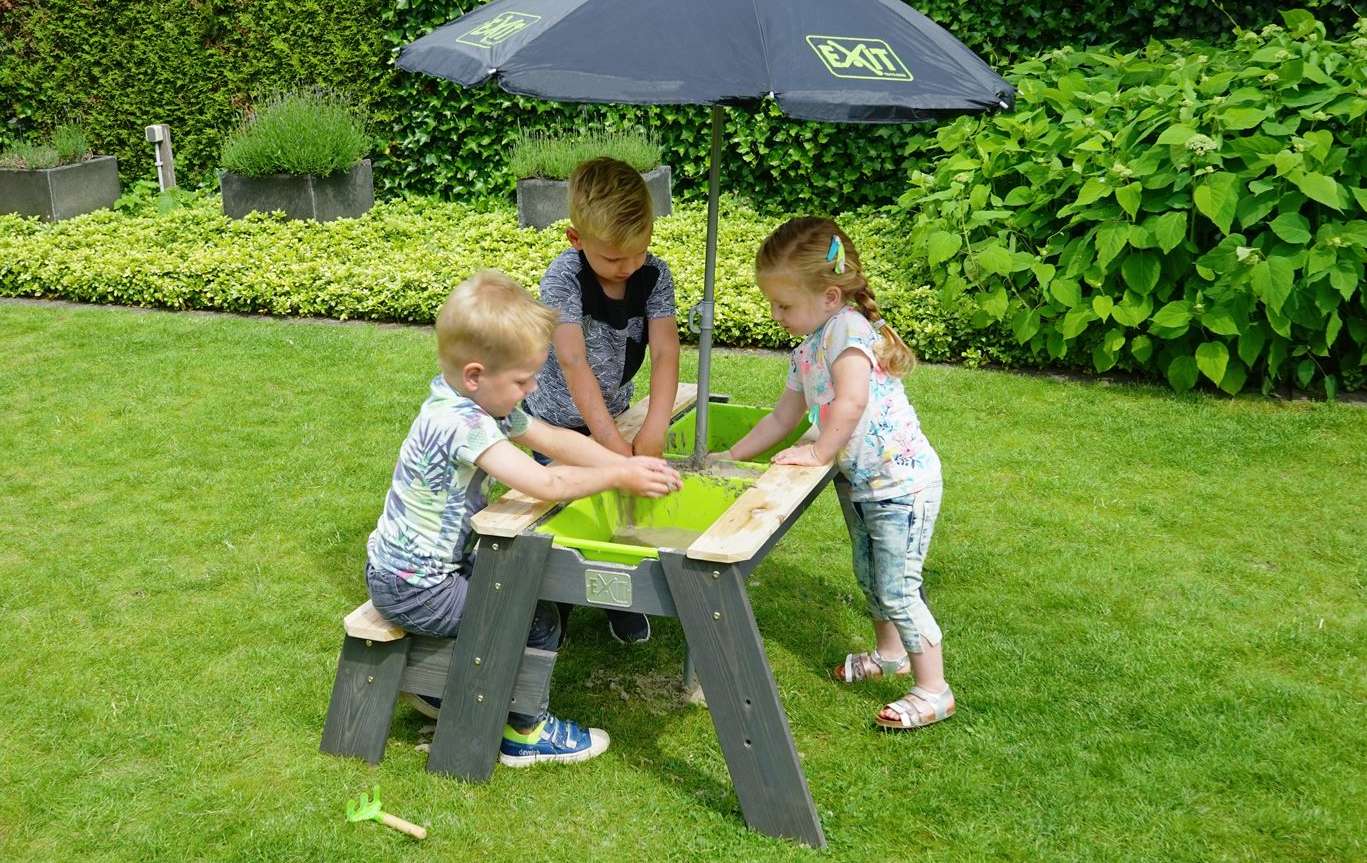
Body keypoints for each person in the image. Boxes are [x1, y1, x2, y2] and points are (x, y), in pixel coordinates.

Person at [365, 269, 683, 765]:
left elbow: (554, 441)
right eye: (522, 380)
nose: (532, 387)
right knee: (533, 617)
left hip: (406, 573)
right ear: (476, 374)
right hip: (416, 588)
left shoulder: (468, 401)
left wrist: (625, 462)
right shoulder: (464, 423)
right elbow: (546, 482)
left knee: (512, 581)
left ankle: (441, 688)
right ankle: (524, 733)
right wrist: (620, 478)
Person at [718, 217, 953, 730]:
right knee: (871, 579)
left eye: (783, 305)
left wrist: (818, 453)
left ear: (829, 296)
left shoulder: (848, 331)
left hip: (900, 483)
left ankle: (934, 690)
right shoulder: (808, 346)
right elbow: (784, 417)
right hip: (865, 483)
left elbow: (851, 401)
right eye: (773, 304)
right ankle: (889, 656)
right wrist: (731, 456)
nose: (776, 315)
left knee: (899, 587)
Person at [523, 156, 680, 644]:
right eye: (613, 259)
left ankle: (618, 596)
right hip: (558, 422)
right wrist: (610, 442)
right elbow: (572, 362)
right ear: (576, 239)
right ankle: (561, 600)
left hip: (616, 410)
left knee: (617, 503)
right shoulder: (563, 278)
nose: (627, 267)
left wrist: (654, 424)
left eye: (637, 252)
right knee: (570, 512)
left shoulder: (654, 276)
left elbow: (666, 351)